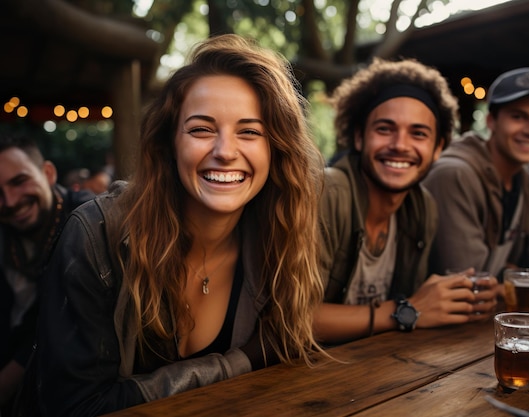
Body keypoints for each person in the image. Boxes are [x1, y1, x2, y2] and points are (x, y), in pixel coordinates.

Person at [24, 34, 326, 416]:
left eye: (249, 131)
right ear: (169, 143)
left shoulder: (277, 235)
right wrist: (238, 362)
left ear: (275, 148)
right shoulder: (97, 235)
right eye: (201, 129)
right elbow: (79, 406)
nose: (225, 151)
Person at [314, 58, 499, 345]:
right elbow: (293, 320)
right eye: (385, 129)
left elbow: (420, 309)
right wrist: (406, 311)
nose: (400, 145)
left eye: (418, 133)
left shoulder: (422, 207)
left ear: (438, 147)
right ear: (359, 137)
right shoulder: (327, 192)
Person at [423, 67, 529, 280]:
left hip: (495, 310)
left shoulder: (527, 181)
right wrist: (514, 275)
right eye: (518, 117)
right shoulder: (455, 175)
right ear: (491, 121)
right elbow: (468, 277)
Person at [0, 134, 94, 415]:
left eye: (19, 181)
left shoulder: (88, 221)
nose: (10, 200)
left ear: (49, 173)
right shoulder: (6, 236)